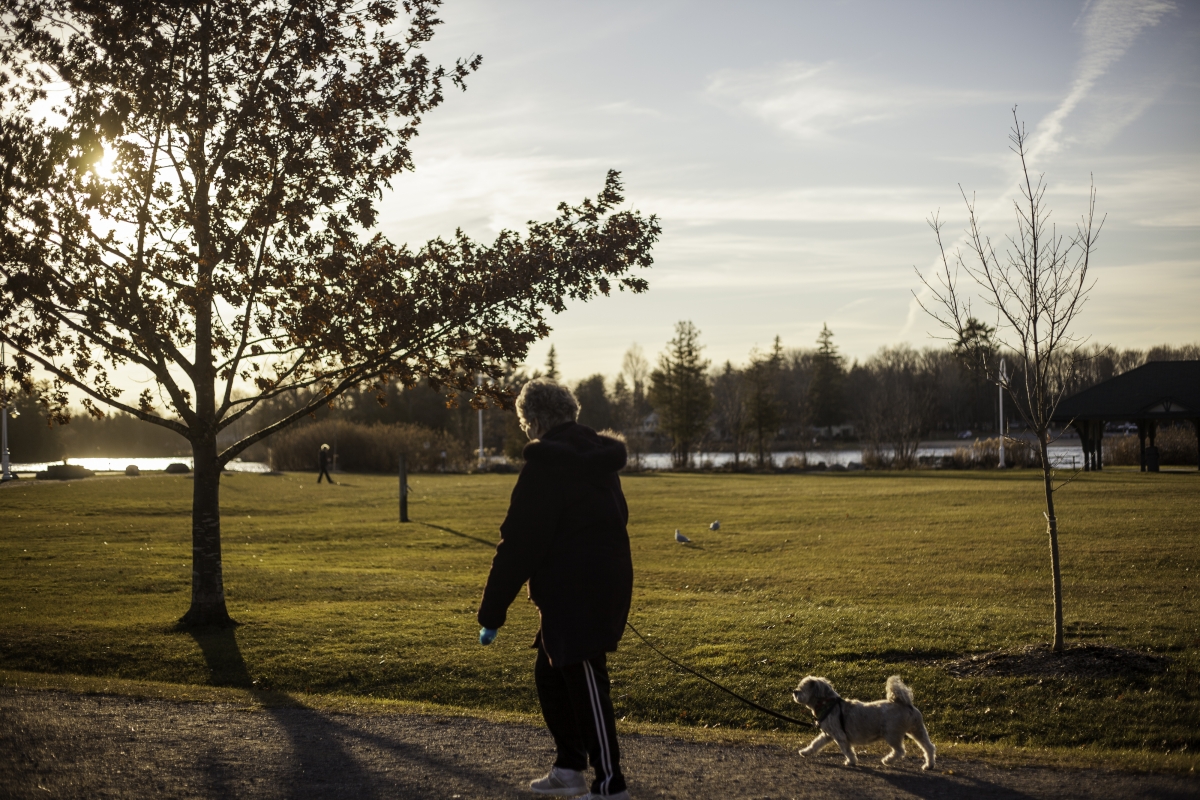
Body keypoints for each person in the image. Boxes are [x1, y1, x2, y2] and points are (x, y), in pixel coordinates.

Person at [477, 378, 633, 800]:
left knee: (584, 678)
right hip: (603, 581)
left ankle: (609, 784)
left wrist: (491, 613)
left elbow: (519, 544)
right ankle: (569, 767)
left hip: (576, 590)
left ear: (537, 420)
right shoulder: (598, 457)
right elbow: (616, 517)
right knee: (551, 676)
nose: (526, 430)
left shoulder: (546, 466)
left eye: (525, 422)